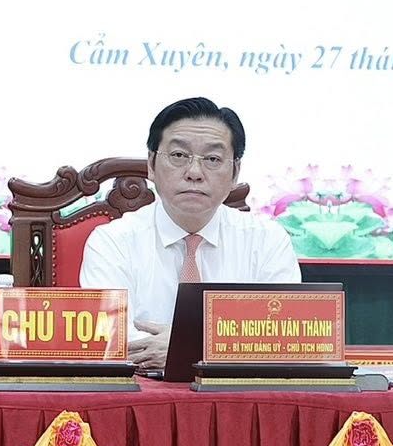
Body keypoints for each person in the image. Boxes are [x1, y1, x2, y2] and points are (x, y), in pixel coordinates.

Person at [79, 95, 301, 368]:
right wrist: (228, 348)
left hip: (235, 391)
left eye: (213, 158)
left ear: (235, 173)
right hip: (142, 389)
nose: (194, 172)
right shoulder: (112, 242)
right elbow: (112, 341)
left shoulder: (267, 241)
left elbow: (284, 337)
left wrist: (188, 348)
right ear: (151, 164)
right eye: (178, 156)